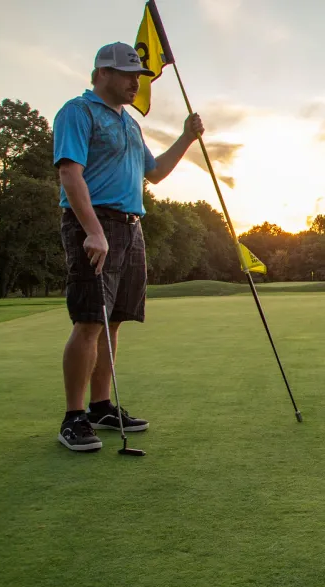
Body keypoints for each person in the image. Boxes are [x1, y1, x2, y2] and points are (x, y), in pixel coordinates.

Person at [53, 42, 205, 452]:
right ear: (101, 73)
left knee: (113, 321)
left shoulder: (130, 125)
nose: (135, 82)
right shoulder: (78, 112)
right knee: (88, 320)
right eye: (127, 74)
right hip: (93, 224)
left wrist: (187, 138)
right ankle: (73, 417)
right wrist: (92, 231)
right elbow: (70, 173)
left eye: (138, 75)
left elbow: (154, 174)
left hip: (130, 227)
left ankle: (101, 406)